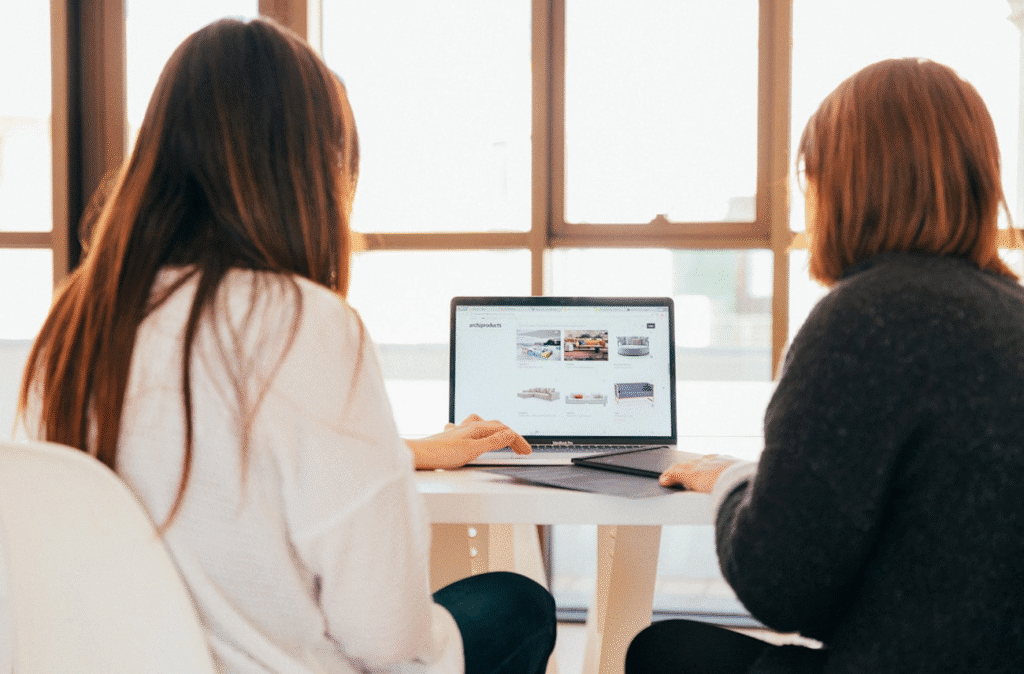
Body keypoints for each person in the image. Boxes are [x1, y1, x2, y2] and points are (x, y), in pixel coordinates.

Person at [18, 17, 554, 674]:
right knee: (516, 604)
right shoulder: (306, 322)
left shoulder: (74, 323)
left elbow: (207, 466)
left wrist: (403, 452)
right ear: (311, 170)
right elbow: (387, 637)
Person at [627, 58, 1024, 673]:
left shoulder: (865, 317)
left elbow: (779, 588)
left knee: (662, 652)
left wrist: (735, 480)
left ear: (843, 186)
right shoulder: (1011, 309)